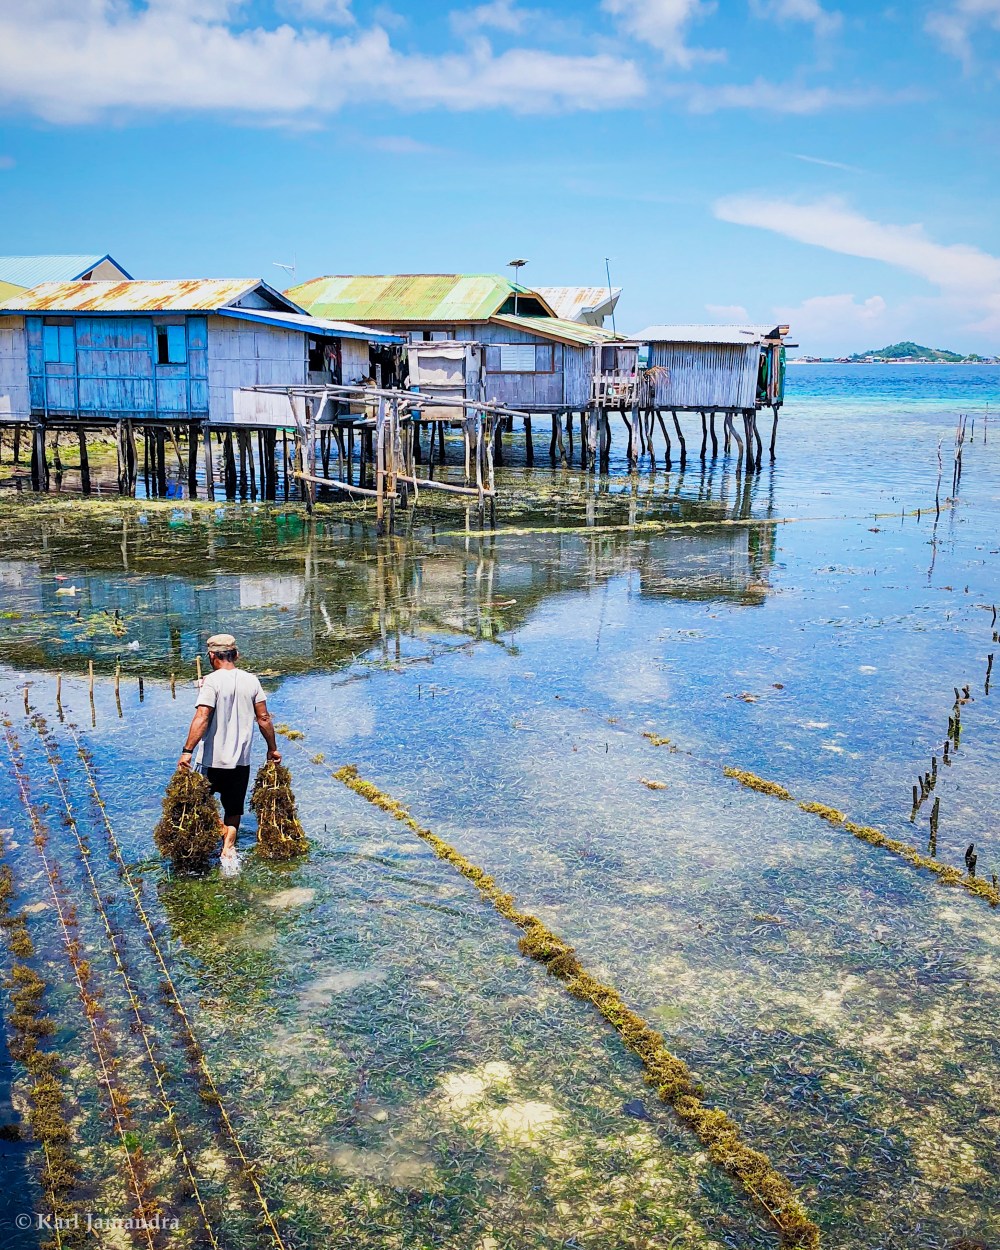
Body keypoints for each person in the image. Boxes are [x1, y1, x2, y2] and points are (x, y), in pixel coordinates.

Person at [178, 633, 281, 869]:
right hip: (241, 761)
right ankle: (228, 849)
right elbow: (263, 718)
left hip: (211, 760)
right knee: (234, 808)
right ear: (236, 654)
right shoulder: (252, 680)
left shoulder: (211, 682)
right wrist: (272, 749)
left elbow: (202, 717)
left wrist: (187, 751)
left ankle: (221, 832)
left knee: (199, 802)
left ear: (212, 656)